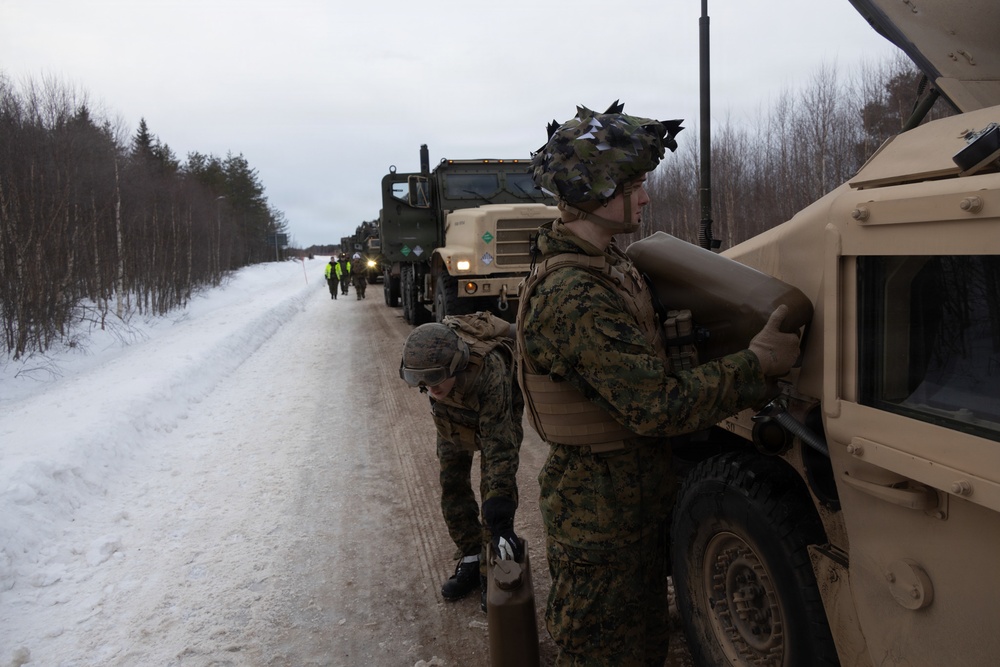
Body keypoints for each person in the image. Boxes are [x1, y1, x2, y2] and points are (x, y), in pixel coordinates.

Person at [516, 102, 802, 666]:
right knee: (607, 654)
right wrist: (757, 364)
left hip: (633, 497)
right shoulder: (574, 295)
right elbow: (654, 407)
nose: (645, 198)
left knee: (645, 644)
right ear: (597, 193)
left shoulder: (612, 266)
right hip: (599, 514)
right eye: (636, 185)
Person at [399, 313, 525, 612]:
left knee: (492, 497)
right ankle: (470, 555)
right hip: (452, 417)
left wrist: (502, 516)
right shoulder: (431, 370)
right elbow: (433, 382)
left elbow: (499, 448)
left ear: (455, 365)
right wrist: (436, 382)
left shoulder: (488, 371)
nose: (429, 387)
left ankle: (489, 571)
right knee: (451, 483)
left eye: (434, 377)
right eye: (419, 379)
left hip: (495, 416)